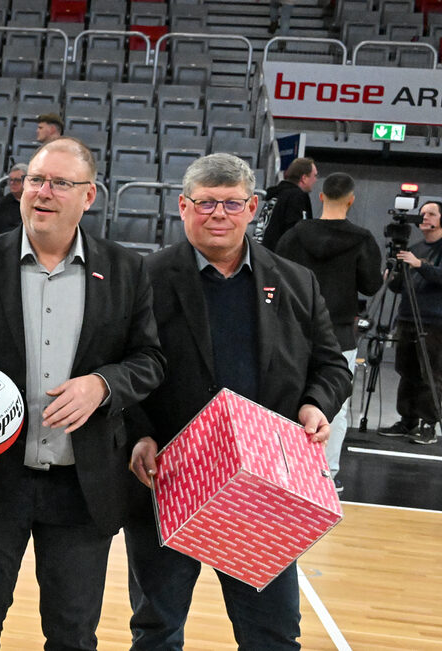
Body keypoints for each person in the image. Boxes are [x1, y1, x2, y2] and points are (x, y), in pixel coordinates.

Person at [0, 137, 164, 651]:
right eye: (36, 180)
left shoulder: (127, 270)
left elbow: (150, 360)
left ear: (89, 196)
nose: (43, 192)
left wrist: (102, 384)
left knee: (72, 635)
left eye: (61, 183)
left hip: (81, 486)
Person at [123, 153, 350, 651]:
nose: (218, 214)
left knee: (272, 635)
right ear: (183, 207)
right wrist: (139, 432)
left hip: (264, 492)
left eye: (231, 203)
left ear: (252, 209)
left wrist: (316, 404)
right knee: (156, 631)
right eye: (205, 203)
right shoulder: (142, 279)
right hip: (170, 478)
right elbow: (120, 371)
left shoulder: (295, 282)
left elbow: (332, 367)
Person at [275, 172, 383, 483]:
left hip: (293, 332)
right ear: (351, 200)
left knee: (287, 400)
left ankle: (283, 472)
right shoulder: (361, 239)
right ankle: (325, 476)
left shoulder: (295, 234)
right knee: (335, 407)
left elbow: (274, 274)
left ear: (320, 197)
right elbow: (371, 285)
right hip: (338, 335)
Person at [379, 200, 442, 445]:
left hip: (435, 321)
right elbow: (400, 286)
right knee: (407, 371)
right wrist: (391, 275)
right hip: (407, 317)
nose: (425, 218)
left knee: (432, 373)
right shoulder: (415, 248)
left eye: (431, 214)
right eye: (422, 213)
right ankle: (407, 420)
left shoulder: (429, 252)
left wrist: (418, 265)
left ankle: (429, 424)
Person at [257, 156, 317, 250]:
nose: (315, 180)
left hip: (263, 253)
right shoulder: (297, 197)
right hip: (280, 258)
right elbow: (297, 233)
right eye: (314, 176)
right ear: (304, 178)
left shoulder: (274, 195)